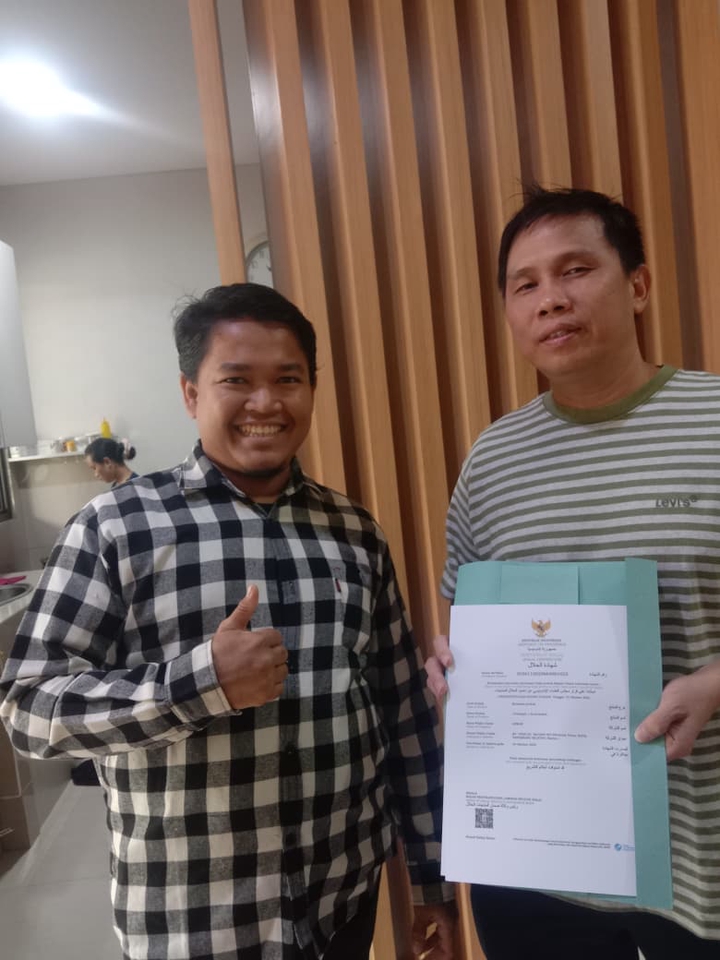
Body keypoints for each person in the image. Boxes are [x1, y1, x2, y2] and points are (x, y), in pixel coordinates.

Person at [0, 282, 455, 960]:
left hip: (341, 902)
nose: (265, 403)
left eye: (288, 379)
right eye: (237, 380)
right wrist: (198, 684)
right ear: (191, 393)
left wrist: (429, 874)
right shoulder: (115, 528)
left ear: (312, 388)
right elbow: (29, 708)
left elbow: (401, 713)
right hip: (193, 919)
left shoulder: (354, 532)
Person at [425, 186, 720, 959]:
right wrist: (453, 665)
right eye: (525, 284)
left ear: (638, 285)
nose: (550, 299)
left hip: (703, 858)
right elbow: (464, 621)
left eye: (576, 270)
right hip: (535, 865)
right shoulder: (493, 461)